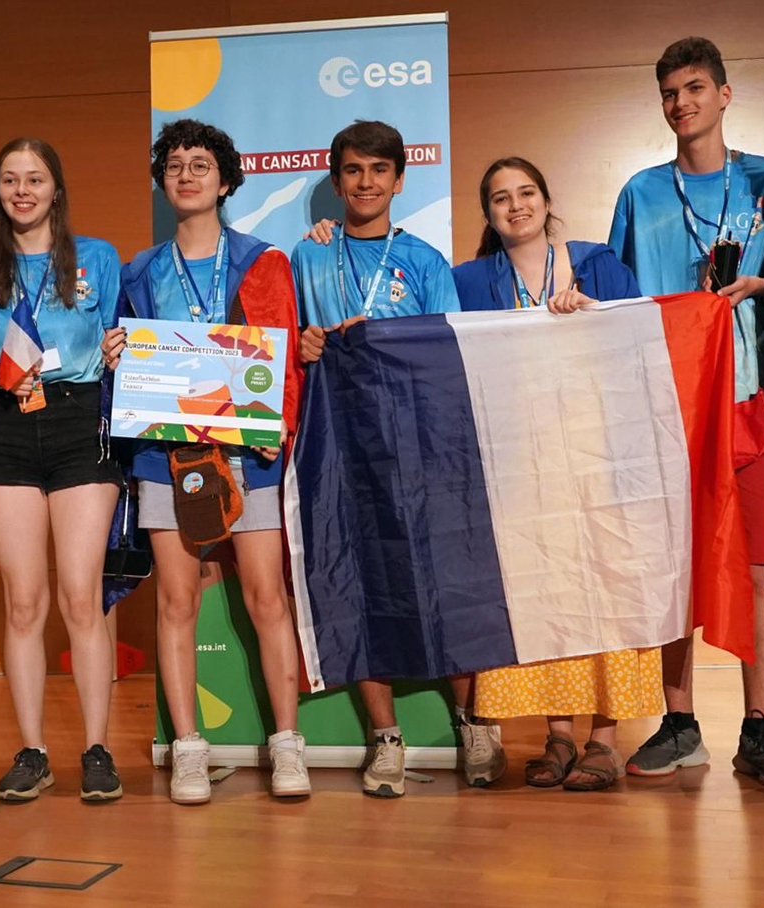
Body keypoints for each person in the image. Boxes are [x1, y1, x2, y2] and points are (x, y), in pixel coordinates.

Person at [608, 37, 764, 789]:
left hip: (751, 397)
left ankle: (758, 728)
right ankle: (680, 723)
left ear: (724, 95)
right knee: (672, 571)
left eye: (694, 88)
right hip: (669, 403)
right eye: (670, 93)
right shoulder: (640, 191)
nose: (681, 103)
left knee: (757, 568)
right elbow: (620, 299)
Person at [100, 119, 308, 805]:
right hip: (169, 456)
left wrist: (276, 427)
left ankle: (287, 744)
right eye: (174, 165)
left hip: (249, 452)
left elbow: (281, 355)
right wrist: (115, 359)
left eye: (200, 164)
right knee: (177, 599)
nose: (186, 175)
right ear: (163, 182)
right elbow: (129, 371)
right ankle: (189, 748)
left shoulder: (262, 261)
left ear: (224, 182)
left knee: (266, 596)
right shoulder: (140, 271)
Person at [292, 120, 499, 798]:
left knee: (449, 578)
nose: (366, 182)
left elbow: (450, 350)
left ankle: (474, 723)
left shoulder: (426, 262)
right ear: (337, 180)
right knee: (357, 579)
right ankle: (385, 737)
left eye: (379, 170)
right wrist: (305, 345)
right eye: (353, 170)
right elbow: (284, 342)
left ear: (400, 180)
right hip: (341, 443)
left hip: (420, 441)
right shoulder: (308, 256)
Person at [454, 157, 659, 791]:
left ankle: (604, 739)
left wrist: (596, 313)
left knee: (608, 587)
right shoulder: (469, 281)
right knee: (543, 589)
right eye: (500, 198)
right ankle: (559, 735)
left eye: (526, 193)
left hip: (598, 452)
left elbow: (641, 338)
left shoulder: (598, 265)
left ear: (547, 201)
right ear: (488, 213)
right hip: (520, 460)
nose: (515, 205)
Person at [0, 137, 125, 802]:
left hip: (81, 423)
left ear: (56, 190)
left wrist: (120, 347)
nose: (22, 191)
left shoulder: (97, 257)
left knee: (81, 595)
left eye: (35, 179)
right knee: (24, 601)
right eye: (10, 180)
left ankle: (97, 750)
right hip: (9, 424)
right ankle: (32, 752)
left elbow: (121, 340)